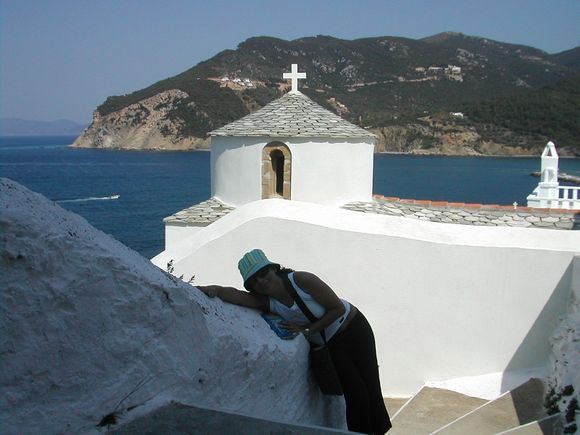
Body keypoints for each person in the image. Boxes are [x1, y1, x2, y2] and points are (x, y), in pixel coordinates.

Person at [198, 249, 392, 434]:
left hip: (354, 330)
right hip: (332, 344)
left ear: (274, 269)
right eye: (255, 281)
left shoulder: (302, 280)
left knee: (371, 388)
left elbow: (337, 309)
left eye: (264, 273)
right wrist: (214, 290)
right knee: (355, 395)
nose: (262, 281)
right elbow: (237, 296)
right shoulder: (268, 302)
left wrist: (308, 330)